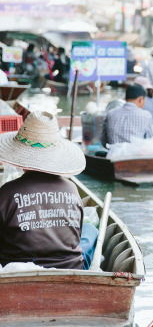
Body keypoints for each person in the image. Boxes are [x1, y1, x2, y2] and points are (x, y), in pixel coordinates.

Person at [0, 110, 88, 269]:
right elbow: (77, 235)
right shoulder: (72, 189)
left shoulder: (7, 193)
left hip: (17, 273)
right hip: (71, 268)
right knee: (90, 233)